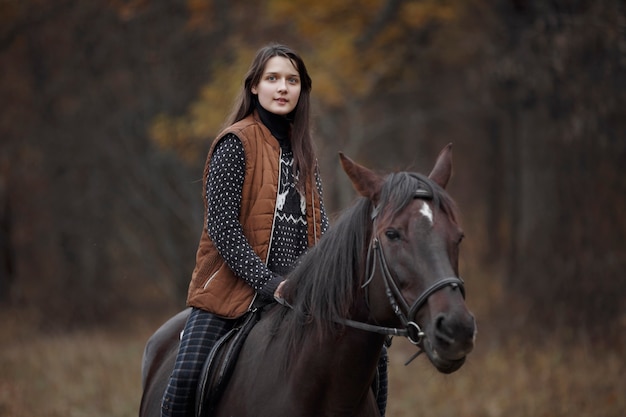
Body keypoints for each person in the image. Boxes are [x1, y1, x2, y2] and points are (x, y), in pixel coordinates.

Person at [160, 43, 387, 417]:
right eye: (273, 78)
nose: (283, 87)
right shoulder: (235, 143)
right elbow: (222, 227)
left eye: (292, 80)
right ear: (254, 87)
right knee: (185, 380)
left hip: (302, 296)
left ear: (302, 90)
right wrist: (269, 284)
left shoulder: (306, 153)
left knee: (374, 360)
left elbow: (322, 233)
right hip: (231, 294)